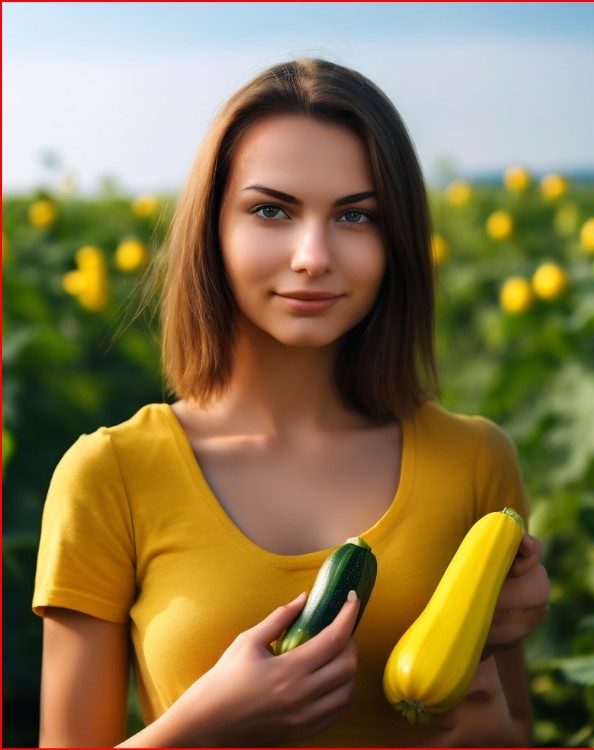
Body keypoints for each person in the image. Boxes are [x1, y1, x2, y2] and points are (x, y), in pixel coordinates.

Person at [33, 58, 550, 748]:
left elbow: (507, 731)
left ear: (396, 239)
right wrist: (205, 726)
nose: (313, 255)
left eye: (355, 215)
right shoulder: (110, 474)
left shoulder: (475, 461)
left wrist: (484, 706)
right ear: (211, 229)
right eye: (270, 210)